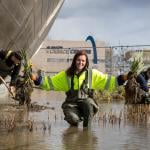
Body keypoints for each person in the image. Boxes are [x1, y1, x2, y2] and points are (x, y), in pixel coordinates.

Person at [32, 50, 127, 128]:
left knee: (88, 104)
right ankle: (74, 126)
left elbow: (108, 81)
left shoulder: (92, 74)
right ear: (74, 61)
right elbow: (50, 83)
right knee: (73, 119)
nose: (80, 62)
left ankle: (87, 132)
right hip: (71, 105)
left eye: (83, 61)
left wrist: (124, 78)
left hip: (87, 105)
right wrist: (36, 79)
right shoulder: (66, 76)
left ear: (86, 63)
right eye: (78, 60)